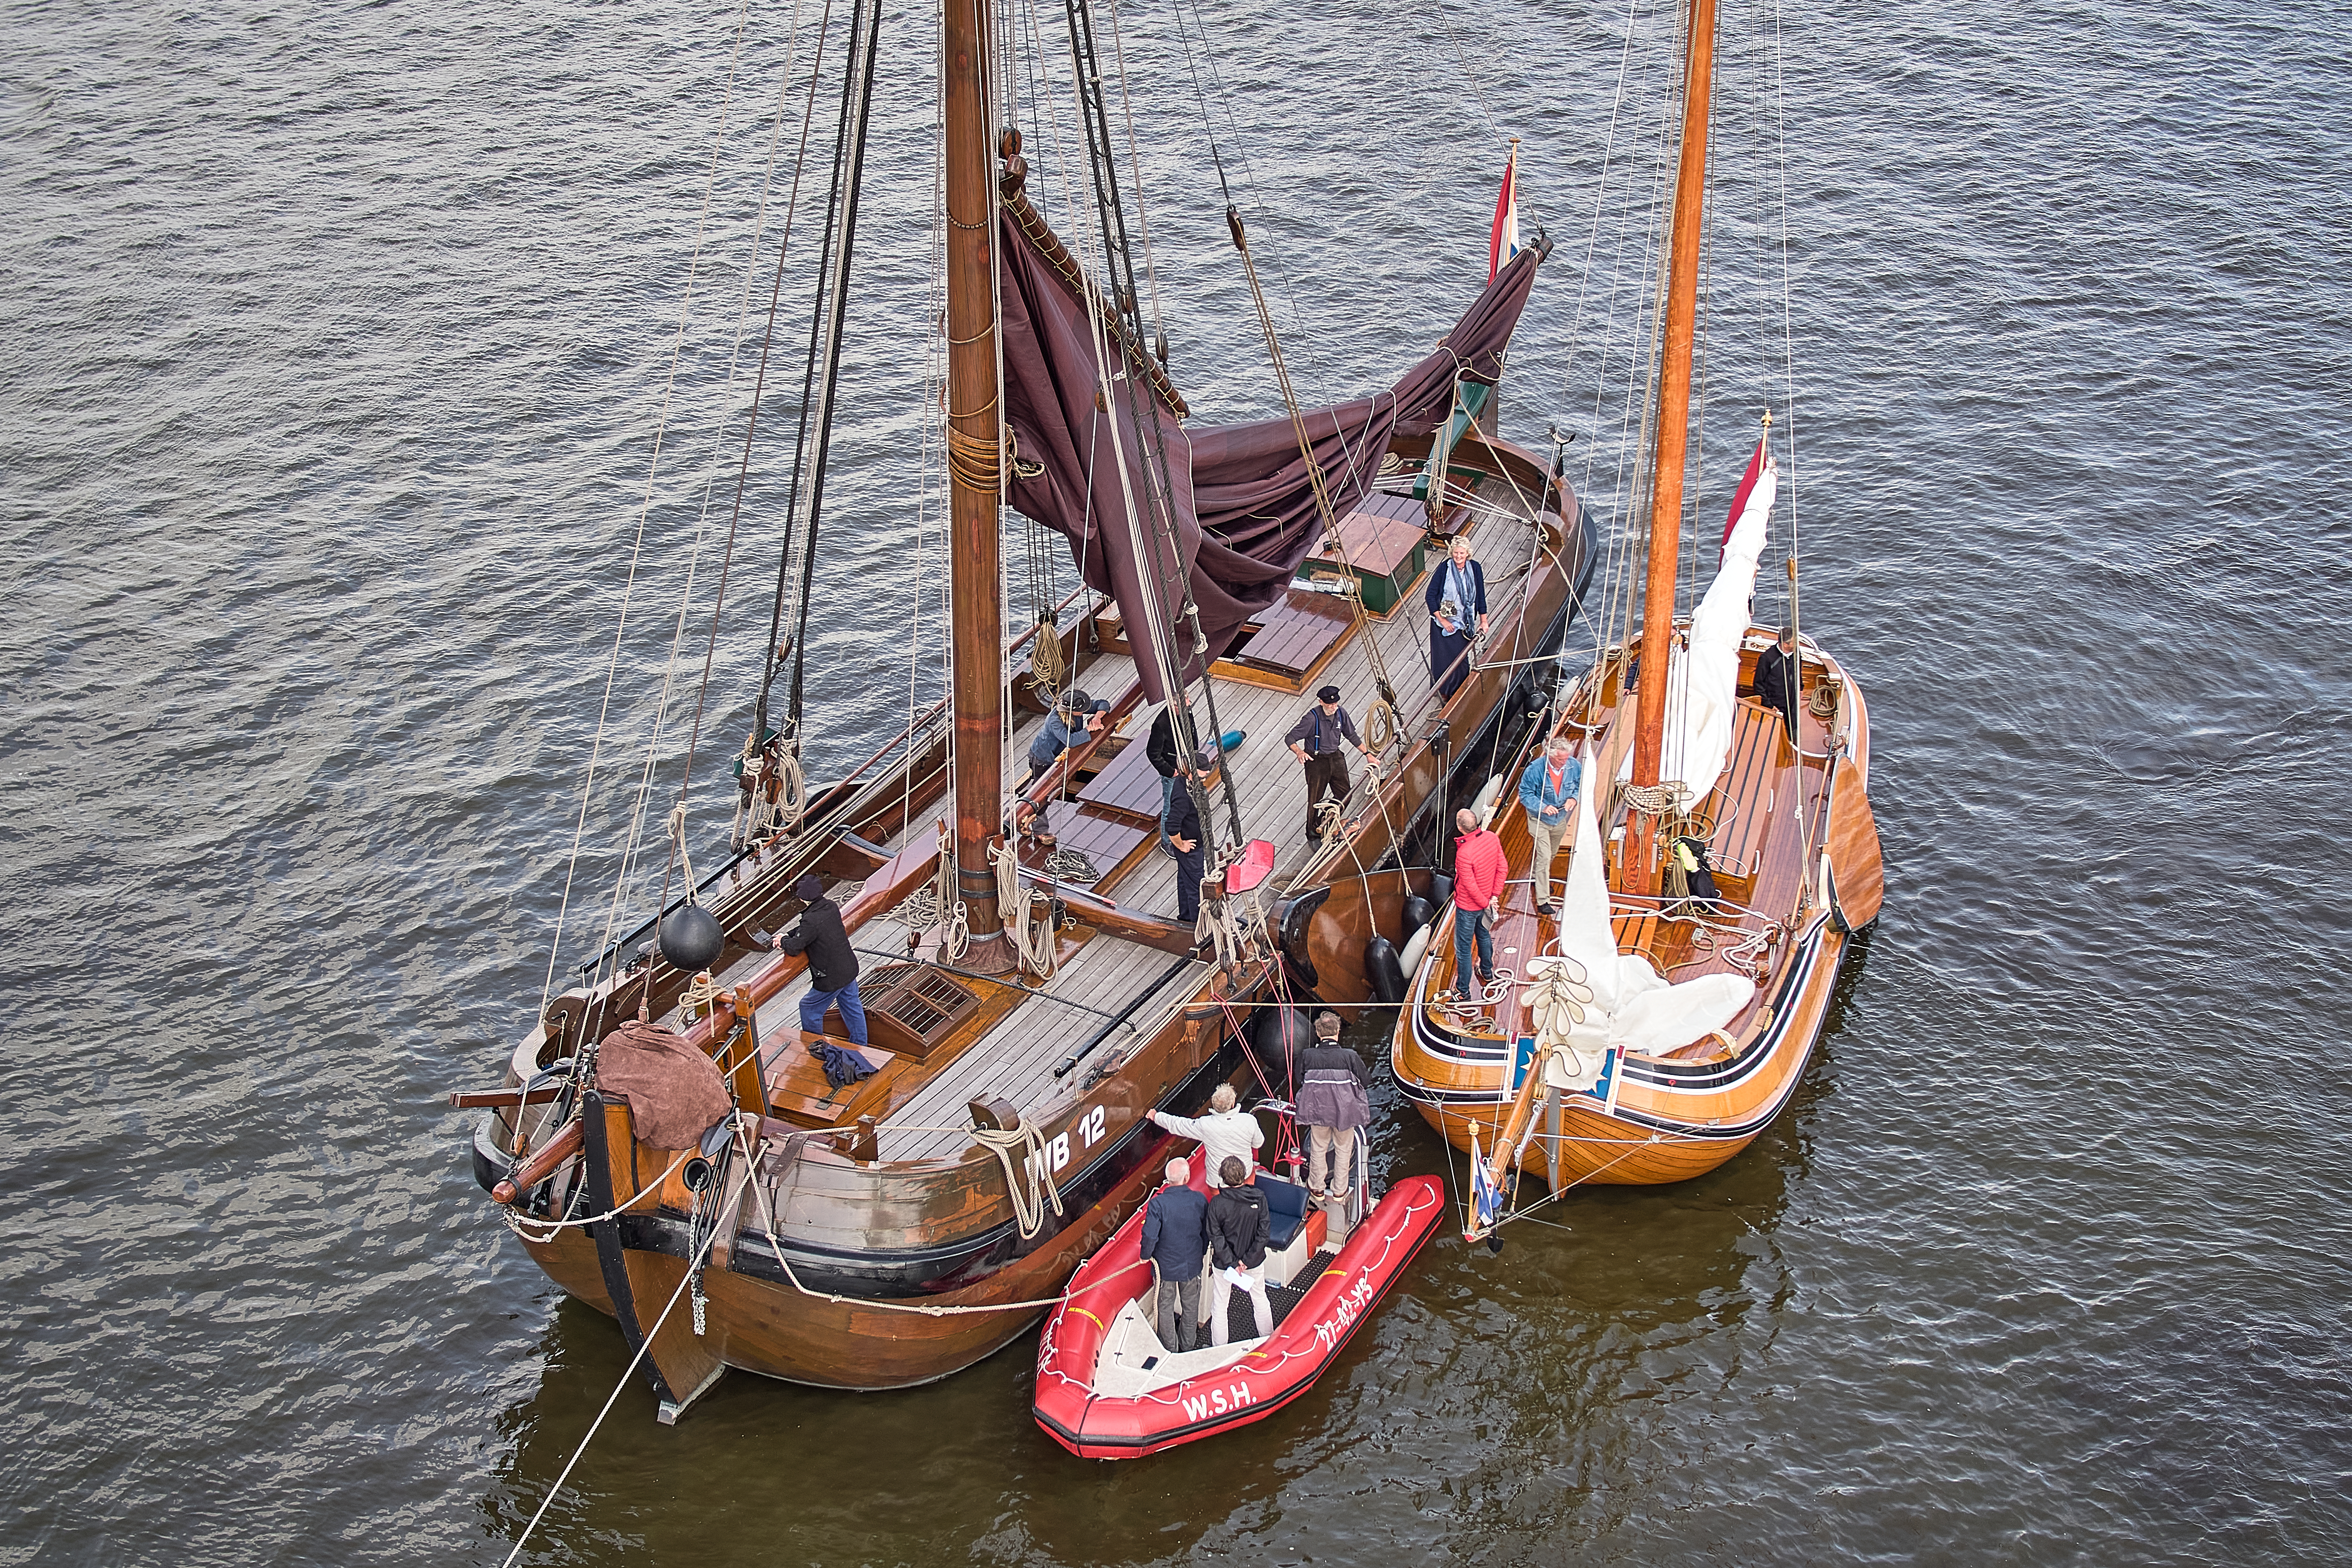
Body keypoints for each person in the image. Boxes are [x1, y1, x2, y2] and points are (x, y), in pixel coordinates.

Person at [1295, 1012, 1371, 1235]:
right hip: (1345, 1114)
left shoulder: (1308, 1055)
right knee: (1344, 1149)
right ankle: (1339, 1191)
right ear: (1338, 1032)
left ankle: (1317, 1189)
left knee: (1318, 1148)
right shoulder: (1350, 1056)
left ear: (1318, 1033)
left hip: (1318, 1110)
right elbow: (1365, 1080)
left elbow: (1300, 1078)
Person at [772, 873, 866, 1046]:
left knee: (809, 1008)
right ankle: (861, 1044)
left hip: (831, 977)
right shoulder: (831, 907)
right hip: (848, 967)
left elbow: (794, 948)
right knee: (852, 1007)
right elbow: (806, 930)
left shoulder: (811, 920)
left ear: (802, 899)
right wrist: (789, 935)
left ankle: (817, 1047)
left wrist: (783, 940)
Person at [1285, 685, 1379, 842]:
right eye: (1330, 705)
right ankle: (1313, 834)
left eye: (1336, 704)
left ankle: (1328, 816)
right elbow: (1290, 738)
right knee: (1315, 800)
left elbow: (1351, 735)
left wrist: (1368, 754)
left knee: (1346, 794)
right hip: (1316, 761)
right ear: (1321, 702)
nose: (1334, 707)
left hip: (1335, 757)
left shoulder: (1341, 713)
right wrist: (1300, 752)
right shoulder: (1311, 719)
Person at [1139, 1157, 1209, 1353]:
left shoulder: (1157, 1204)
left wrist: (1145, 1255)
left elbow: (1150, 1234)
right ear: (1187, 1177)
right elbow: (1206, 1233)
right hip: (1191, 1266)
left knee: (1165, 1308)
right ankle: (1188, 1346)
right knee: (1191, 1307)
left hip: (1165, 1269)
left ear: (1167, 1179)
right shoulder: (1199, 1200)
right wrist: (1201, 1253)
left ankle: (1170, 1348)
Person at [1204, 1156, 1272, 1346]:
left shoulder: (1217, 1204)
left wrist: (1233, 1263)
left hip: (1224, 1266)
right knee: (1260, 1299)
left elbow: (1216, 1237)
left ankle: (1219, 1350)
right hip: (1253, 1263)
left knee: (1220, 1306)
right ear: (1244, 1175)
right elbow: (1264, 1233)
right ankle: (1268, 1341)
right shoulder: (1259, 1198)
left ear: (1222, 1178)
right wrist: (1247, 1261)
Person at [1149, 1082, 1262, 1187]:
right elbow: (1259, 1143)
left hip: (1218, 1181)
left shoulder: (1205, 1124)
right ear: (1233, 1103)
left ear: (1214, 1105)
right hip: (1244, 1174)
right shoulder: (1249, 1120)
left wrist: (1157, 1117)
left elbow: (1179, 1125)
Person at [1518, 735, 1581, 919]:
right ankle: (1543, 900)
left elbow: (1579, 784)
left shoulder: (1573, 766)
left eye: (1566, 758)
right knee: (1544, 857)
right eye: (1561, 759)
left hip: (1559, 819)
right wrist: (1544, 807)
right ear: (1550, 756)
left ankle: (1539, 876)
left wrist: (1573, 798)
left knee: (1552, 853)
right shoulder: (1536, 770)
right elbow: (1525, 794)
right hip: (1539, 820)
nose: (1565, 762)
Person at [1447, 806, 1505, 1002]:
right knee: (1483, 935)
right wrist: (1493, 897)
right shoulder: (1492, 838)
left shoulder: (1464, 854)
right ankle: (1487, 972)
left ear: (1459, 827)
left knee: (1463, 949)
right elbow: (1502, 868)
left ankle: (1463, 991)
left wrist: (1485, 902)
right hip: (1486, 901)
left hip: (1469, 907)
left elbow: (1470, 886)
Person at [1023, 687, 1110, 817]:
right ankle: (1036, 824)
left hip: (1059, 754)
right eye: (1080, 712)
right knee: (1041, 794)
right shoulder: (1055, 721)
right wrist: (1088, 729)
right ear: (1070, 710)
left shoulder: (1077, 707)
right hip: (1043, 758)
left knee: (1044, 790)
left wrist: (1097, 717)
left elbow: (1103, 703)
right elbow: (1071, 741)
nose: (1083, 713)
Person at [1425, 533, 1489, 701]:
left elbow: (1480, 596)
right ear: (1451, 553)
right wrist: (1443, 620)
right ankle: (1444, 690)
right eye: (1456, 553)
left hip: (1464, 622)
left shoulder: (1475, 568)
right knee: (1443, 660)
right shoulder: (1445, 569)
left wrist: (1483, 621)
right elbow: (1431, 596)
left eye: (1462, 553)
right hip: (1444, 621)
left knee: (1462, 661)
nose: (1459, 557)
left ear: (1467, 553)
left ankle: (1460, 690)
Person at [1164, 764, 1206, 926]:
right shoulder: (1184, 797)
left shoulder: (1184, 782)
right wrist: (1181, 845)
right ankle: (1198, 925)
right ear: (1191, 772)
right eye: (1203, 774)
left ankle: (1186, 918)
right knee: (1197, 887)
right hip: (1191, 849)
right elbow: (1172, 826)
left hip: (1193, 846)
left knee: (1184, 881)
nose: (1206, 776)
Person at [1146, 701, 1185, 853]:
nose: (1187, 705)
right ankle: (1166, 841)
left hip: (1185, 766)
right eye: (1181, 703)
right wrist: (1170, 772)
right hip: (1173, 770)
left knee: (1185, 801)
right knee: (1170, 806)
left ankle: (1181, 830)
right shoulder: (1161, 724)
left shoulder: (1184, 714)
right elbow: (1152, 753)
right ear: (1172, 705)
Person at [1754, 625, 1800, 744]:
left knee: (1793, 729)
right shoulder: (1767, 658)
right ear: (1786, 644)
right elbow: (1758, 684)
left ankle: (1792, 744)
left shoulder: (1796, 654)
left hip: (1792, 701)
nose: (1797, 645)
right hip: (1776, 703)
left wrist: (1800, 688)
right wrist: (1769, 705)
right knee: (1774, 733)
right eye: (1795, 642)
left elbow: (1798, 673)